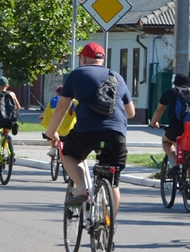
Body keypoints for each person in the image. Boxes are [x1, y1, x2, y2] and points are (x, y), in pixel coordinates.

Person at [44, 42, 135, 212]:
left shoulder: (76, 74)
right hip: (116, 134)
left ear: (83, 58)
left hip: (86, 131)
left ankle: (81, 187)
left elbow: (62, 108)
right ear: (102, 59)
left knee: (69, 154)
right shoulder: (117, 77)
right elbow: (131, 113)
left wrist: (51, 133)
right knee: (113, 182)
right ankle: (109, 225)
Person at [149, 73, 190, 167]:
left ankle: (176, 161)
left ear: (175, 83)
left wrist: (153, 123)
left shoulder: (170, 92)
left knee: (166, 141)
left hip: (176, 129)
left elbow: (159, 110)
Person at [41, 86, 77, 157]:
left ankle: (53, 149)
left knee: (53, 129)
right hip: (69, 130)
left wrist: (41, 117)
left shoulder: (53, 101)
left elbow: (46, 114)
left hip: (57, 130)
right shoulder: (74, 102)